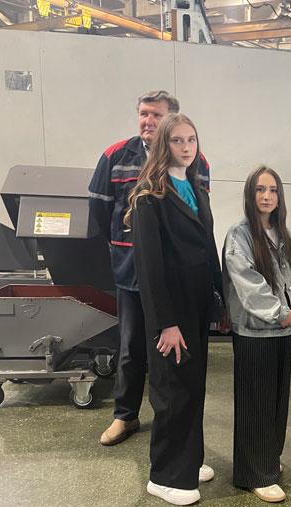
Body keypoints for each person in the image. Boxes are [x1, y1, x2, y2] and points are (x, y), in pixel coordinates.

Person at [89, 91, 210, 447]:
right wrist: (127, 248)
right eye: (144, 113)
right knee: (131, 347)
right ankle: (125, 415)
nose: (148, 121)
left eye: (157, 115)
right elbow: (100, 211)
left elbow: (196, 219)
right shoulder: (115, 156)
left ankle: (169, 422)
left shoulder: (195, 160)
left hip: (174, 281)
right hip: (131, 274)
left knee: (172, 352)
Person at [128, 113, 222, 506]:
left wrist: (220, 298)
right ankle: (164, 475)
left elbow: (208, 247)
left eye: (191, 140)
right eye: (177, 141)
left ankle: (189, 460)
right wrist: (165, 323)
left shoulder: (197, 189)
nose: (186, 148)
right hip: (171, 309)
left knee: (193, 386)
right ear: (162, 144)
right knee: (171, 390)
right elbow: (149, 268)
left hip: (197, 305)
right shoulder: (150, 197)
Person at [222, 166, 291, 503]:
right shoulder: (240, 235)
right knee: (255, 404)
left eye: (273, 190)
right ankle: (253, 474)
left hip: (283, 331)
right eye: (260, 189)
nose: (267, 196)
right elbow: (249, 284)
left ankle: (269, 460)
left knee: (276, 403)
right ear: (250, 194)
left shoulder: (281, 233)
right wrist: (280, 313)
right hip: (255, 332)